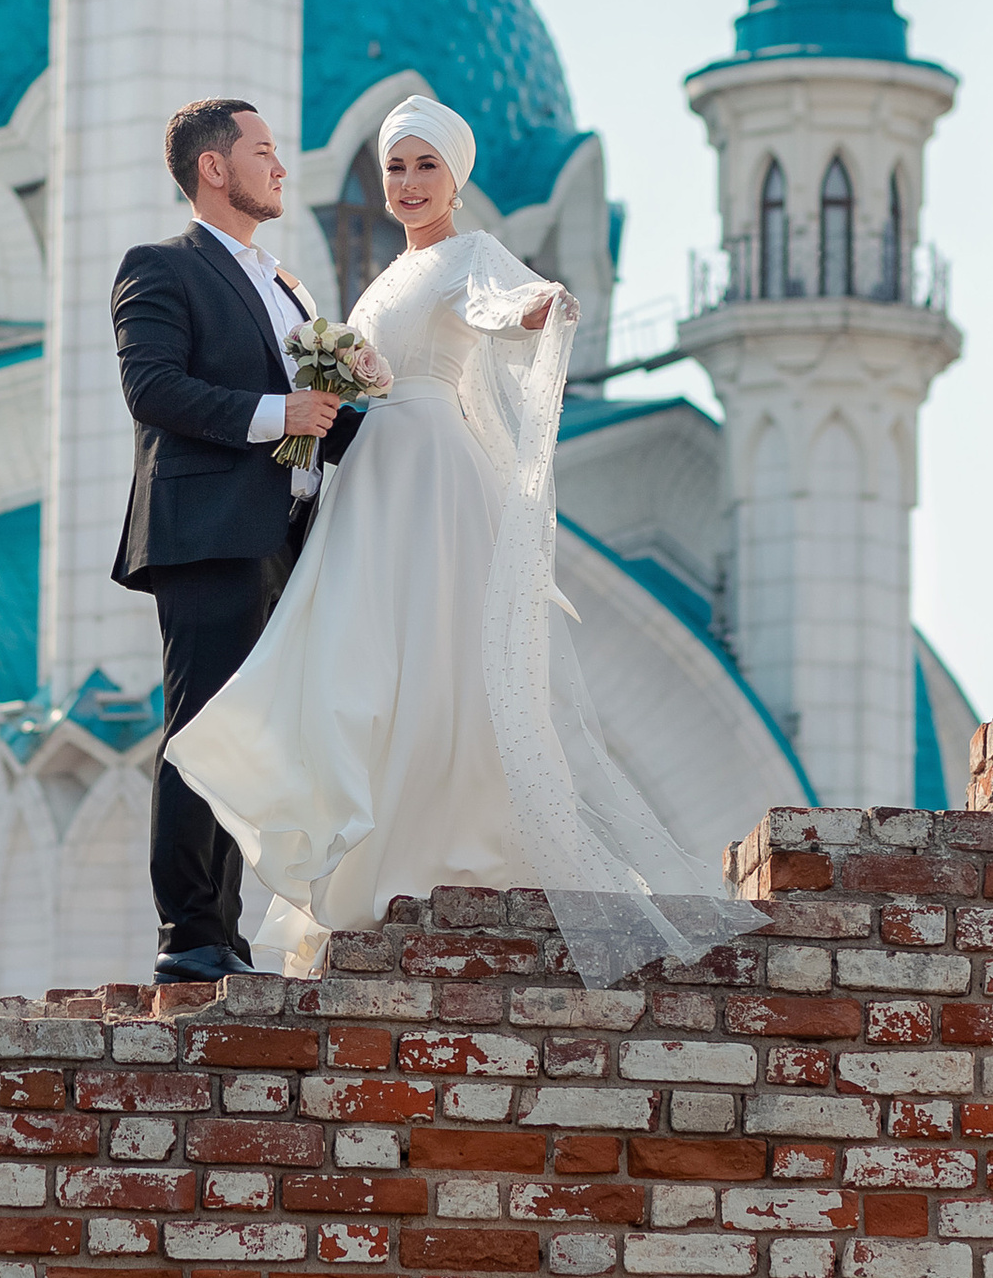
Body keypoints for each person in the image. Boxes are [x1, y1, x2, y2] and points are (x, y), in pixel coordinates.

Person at [165, 93, 755, 986]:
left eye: (425, 166)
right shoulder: (382, 280)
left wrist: (536, 306)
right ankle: (367, 867)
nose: (406, 184)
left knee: (431, 660)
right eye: (395, 167)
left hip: (429, 474)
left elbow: (497, 302)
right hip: (370, 475)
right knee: (366, 666)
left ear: (457, 178)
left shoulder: (470, 254)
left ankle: (433, 863)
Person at [110, 97, 362, 983]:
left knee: (248, 738)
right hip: (208, 531)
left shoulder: (287, 284)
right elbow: (155, 390)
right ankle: (190, 937)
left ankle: (227, 936)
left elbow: (322, 416)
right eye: (263, 151)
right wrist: (277, 413)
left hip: (283, 535)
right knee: (204, 727)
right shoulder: (161, 268)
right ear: (214, 168)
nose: (281, 167)